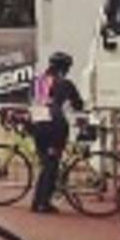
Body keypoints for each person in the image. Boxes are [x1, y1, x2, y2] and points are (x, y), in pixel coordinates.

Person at [29, 50, 84, 214]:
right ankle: (43, 202)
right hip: (55, 126)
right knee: (52, 165)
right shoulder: (65, 83)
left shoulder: (39, 81)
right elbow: (78, 105)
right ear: (65, 68)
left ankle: (38, 201)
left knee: (46, 163)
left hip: (38, 124)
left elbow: (38, 102)